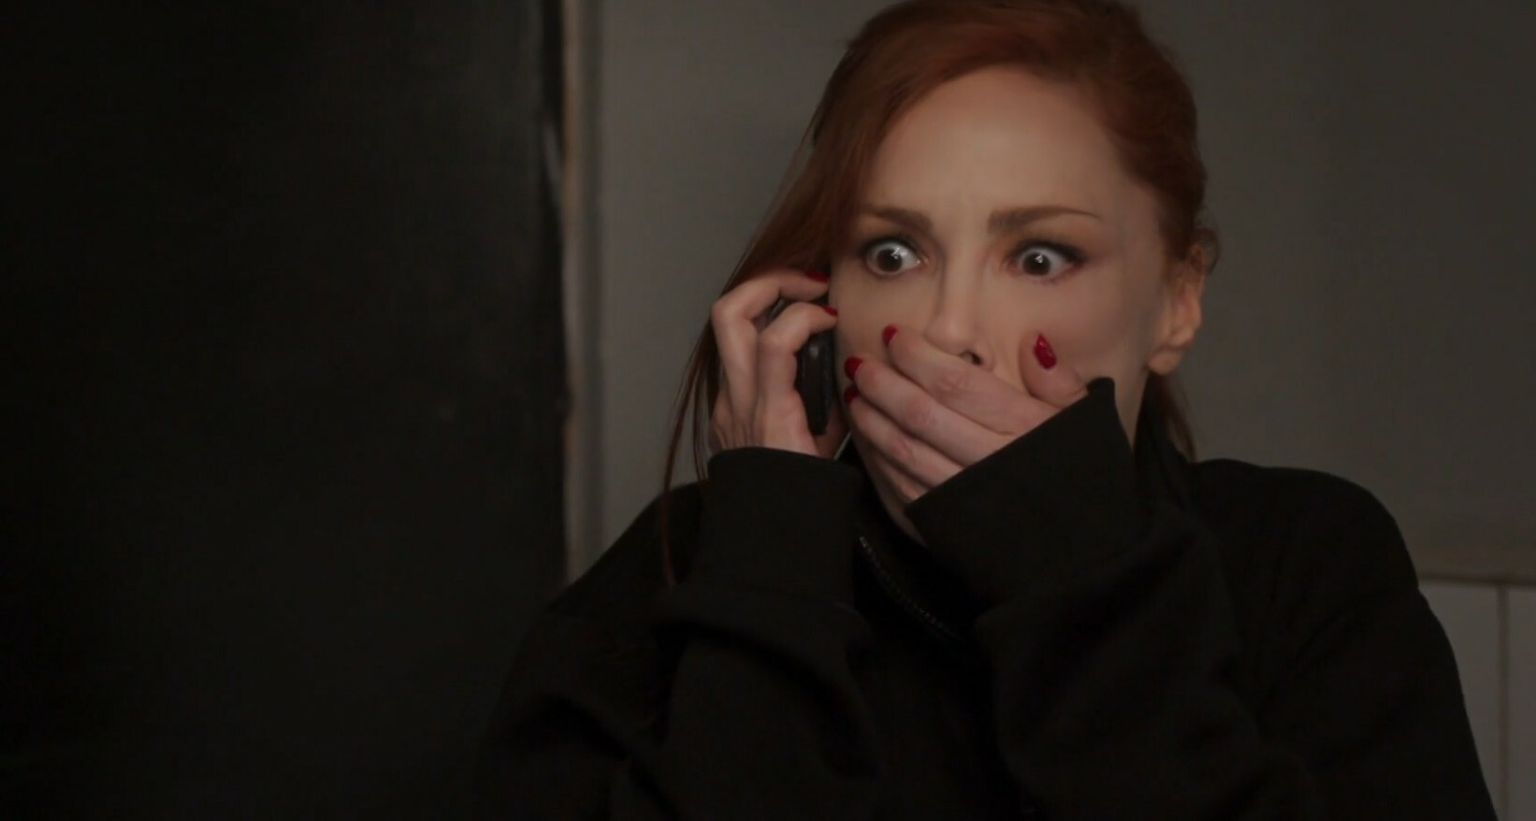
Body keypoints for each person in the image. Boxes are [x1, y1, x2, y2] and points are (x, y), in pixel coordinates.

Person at [474, 1, 1498, 817]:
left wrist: (1080, 583)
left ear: (1177, 302)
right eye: (893, 252)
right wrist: (769, 569)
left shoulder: (1305, 564)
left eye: (1041, 256)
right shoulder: (686, 571)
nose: (951, 328)